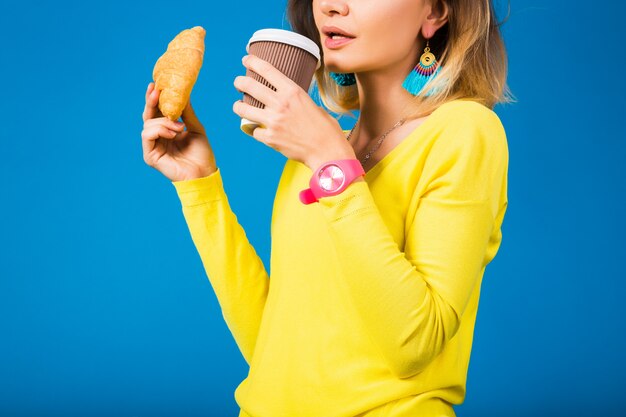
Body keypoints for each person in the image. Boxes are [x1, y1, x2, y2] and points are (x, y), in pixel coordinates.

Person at [140, 0, 512, 415]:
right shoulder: (320, 147)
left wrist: (331, 165)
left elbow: (414, 344)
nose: (333, 6)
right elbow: (274, 348)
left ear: (435, 13)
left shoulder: (463, 132)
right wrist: (200, 188)